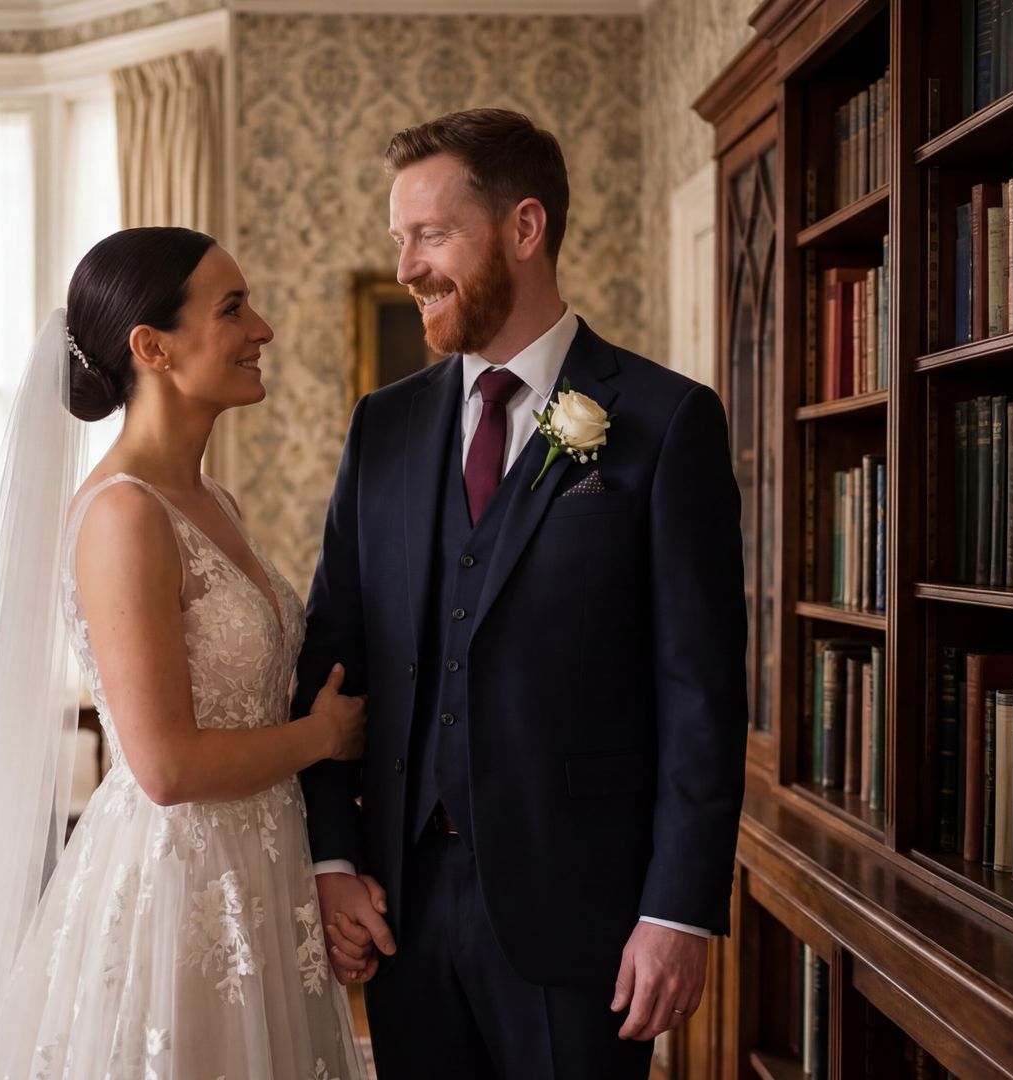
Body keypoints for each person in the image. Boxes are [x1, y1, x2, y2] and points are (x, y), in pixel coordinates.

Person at [0, 227, 371, 1079]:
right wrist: (323, 737)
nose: (263, 330)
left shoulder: (216, 501)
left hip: (261, 868)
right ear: (151, 347)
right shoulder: (123, 516)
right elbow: (164, 766)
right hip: (180, 885)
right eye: (234, 308)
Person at [297, 108, 750, 1079]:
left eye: (431, 235)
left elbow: (700, 692)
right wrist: (333, 863)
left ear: (525, 228)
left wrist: (677, 912)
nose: (408, 266)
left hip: (583, 916)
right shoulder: (383, 428)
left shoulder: (666, 422)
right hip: (403, 918)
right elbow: (332, 663)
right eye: (400, 240)